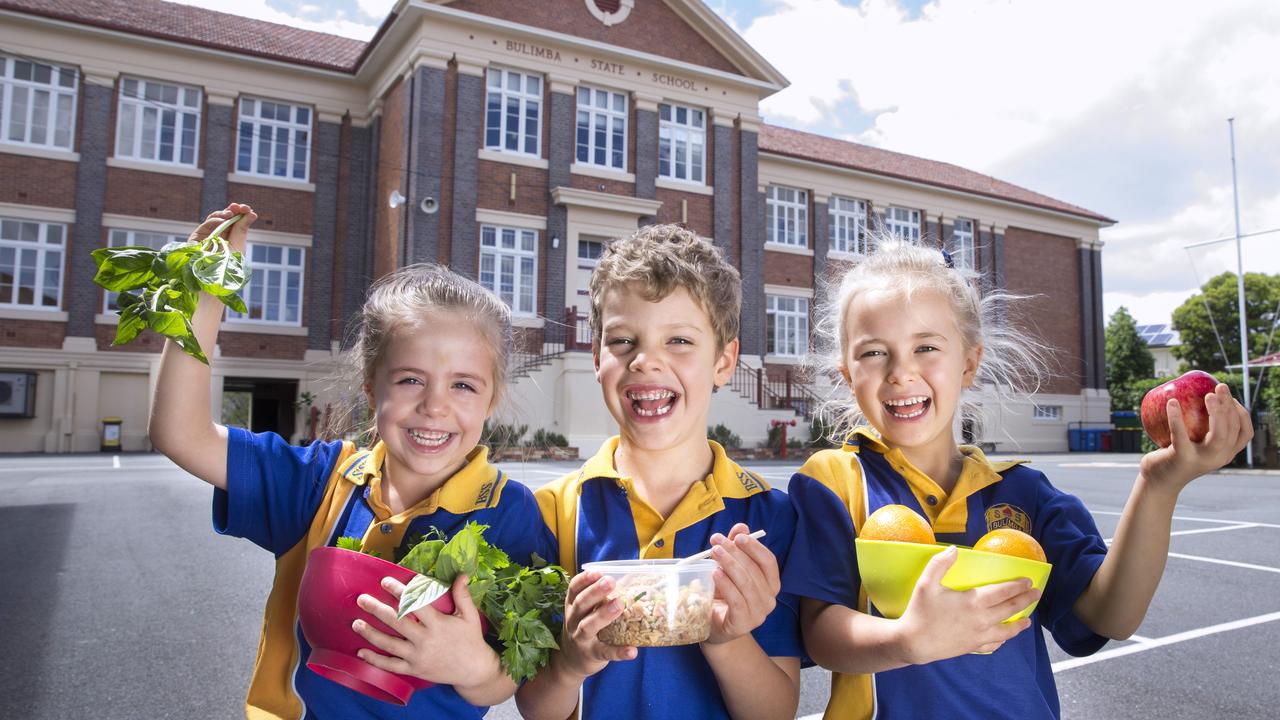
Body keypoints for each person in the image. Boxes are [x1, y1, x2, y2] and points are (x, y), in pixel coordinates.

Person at [783, 236, 1253, 719]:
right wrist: (909, 640)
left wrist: (1160, 485)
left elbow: (1112, 615)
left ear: (969, 363)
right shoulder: (833, 481)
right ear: (846, 374)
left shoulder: (1026, 493)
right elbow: (821, 634)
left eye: (926, 346)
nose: (902, 371)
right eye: (874, 353)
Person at [149, 203, 554, 719]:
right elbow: (179, 434)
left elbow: (512, 675)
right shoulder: (320, 481)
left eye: (463, 386)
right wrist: (203, 294)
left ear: (492, 399)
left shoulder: (510, 511)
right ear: (370, 387)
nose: (434, 405)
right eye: (410, 379)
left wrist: (472, 666)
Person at [516, 225, 804, 720]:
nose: (646, 361)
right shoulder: (554, 513)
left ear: (724, 360)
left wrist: (727, 638)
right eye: (624, 340)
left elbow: (775, 712)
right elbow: (536, 708)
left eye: (679, 340)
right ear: (597, 359)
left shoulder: (769, 519)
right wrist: (570, 663)